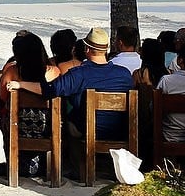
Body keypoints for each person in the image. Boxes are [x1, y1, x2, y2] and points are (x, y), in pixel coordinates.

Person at [9, 28, 135, 177]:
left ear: (87, 49)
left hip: (87, 130)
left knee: (68, 122)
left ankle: (79, 167)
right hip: (120, 130)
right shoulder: (124, 74)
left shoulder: (78, 74)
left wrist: (21, 84)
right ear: (107, 49)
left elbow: (49, 90)